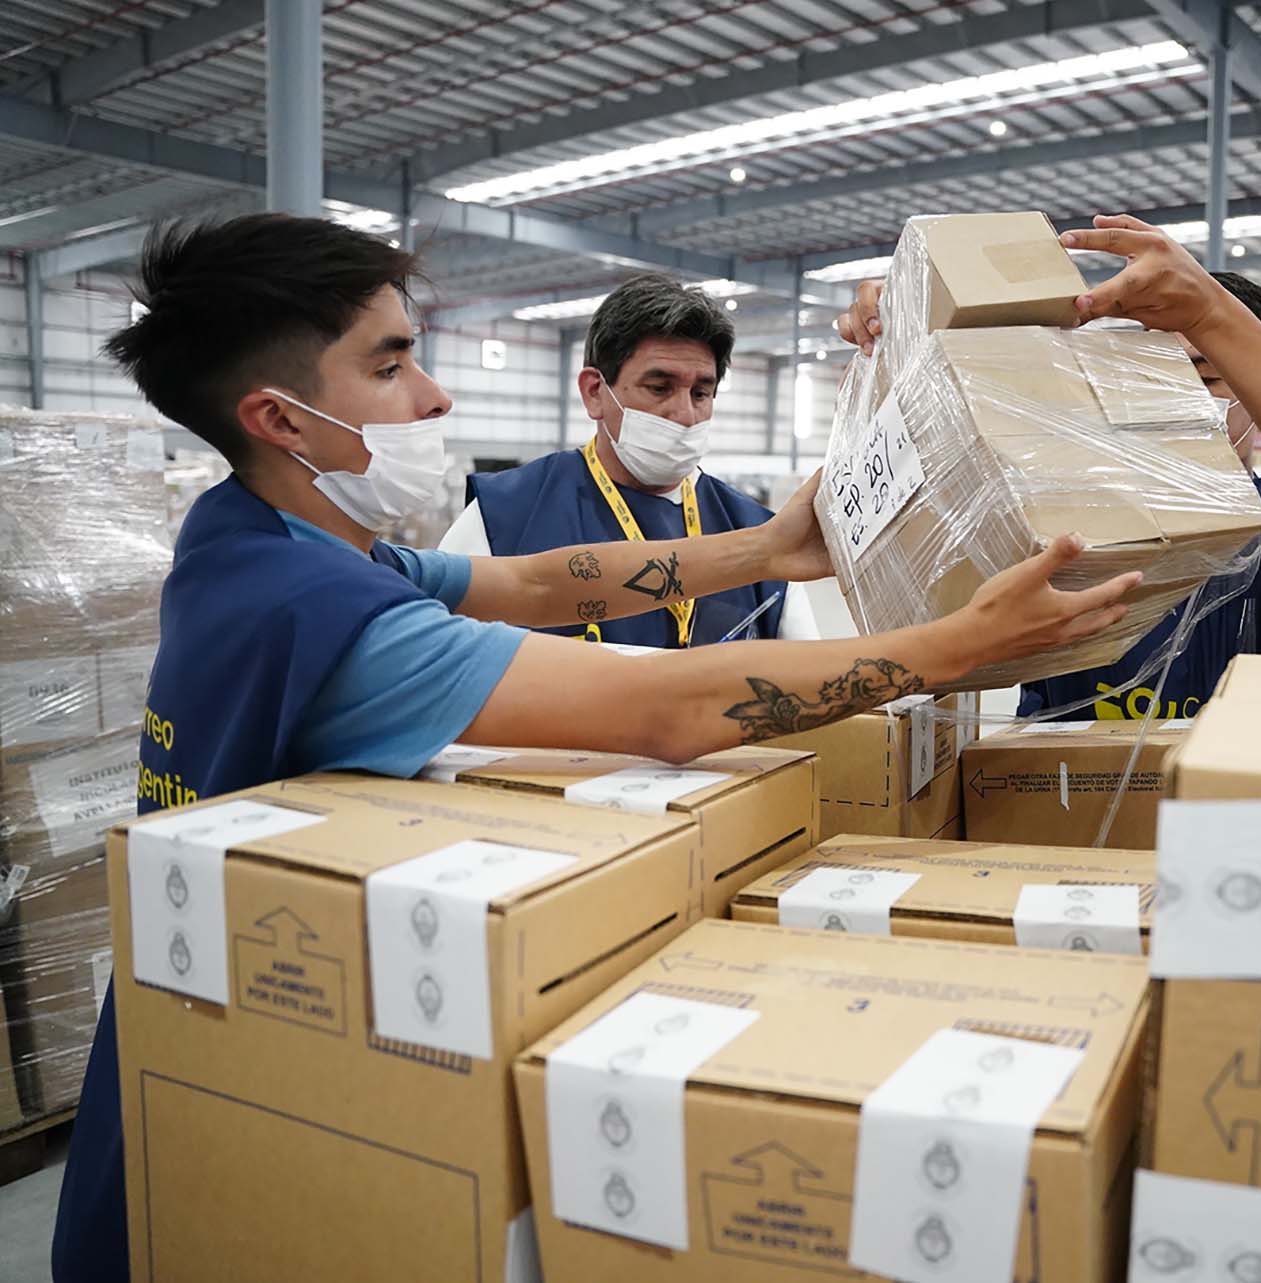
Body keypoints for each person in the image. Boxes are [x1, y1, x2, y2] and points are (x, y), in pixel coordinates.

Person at [52, 213, 1142, 1283]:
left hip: (216, 1043)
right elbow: (664, 714)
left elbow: (533, 582)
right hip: (247, 1110)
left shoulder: (258, 537)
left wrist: (764, 547)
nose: (434, 397)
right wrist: (953, 647)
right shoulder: (334, 616)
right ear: (277, 416)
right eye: (390, 366)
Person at [835, 215, 1261, 721]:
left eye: (1205, 377)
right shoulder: (1063, 506)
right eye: (1154, 375)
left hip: (1241, 809)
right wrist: (903, 337)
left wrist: (1210, 312)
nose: (1180, 397)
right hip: (1062, 799)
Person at [439, 273, 817, 644]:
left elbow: (806, 676)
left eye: (701, 393)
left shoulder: (759, 535)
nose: (685, 413)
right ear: (594, 393)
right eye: (659, 388)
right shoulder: (504, 516)